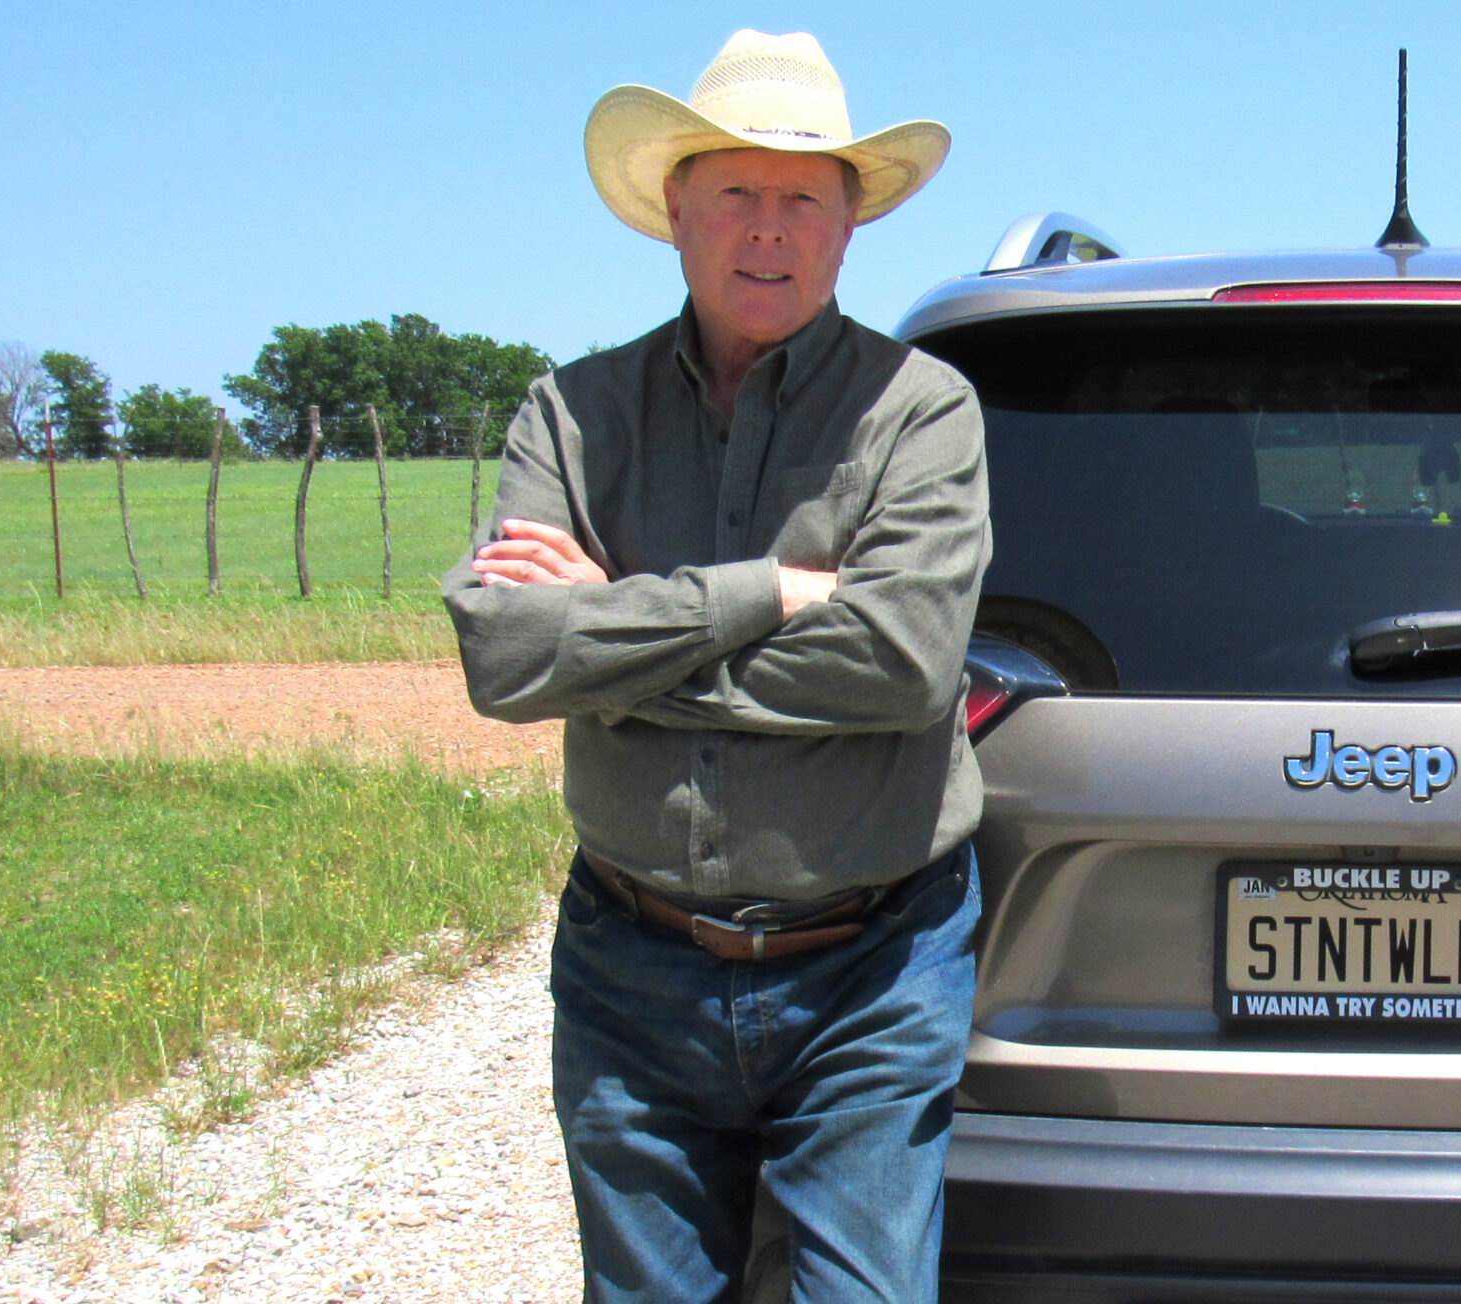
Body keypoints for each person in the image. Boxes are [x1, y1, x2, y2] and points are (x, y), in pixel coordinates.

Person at [441, 29, 988, 1304]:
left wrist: (615, 640)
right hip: (633, 972)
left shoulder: (922, 410)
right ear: (673, 212)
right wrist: (764, 595)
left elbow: (903, 664)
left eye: (803, 195)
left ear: (850, 224)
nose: (768, 227)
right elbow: (504, 650)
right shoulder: (572, 414)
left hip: (874, 970)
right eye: (734, 191)